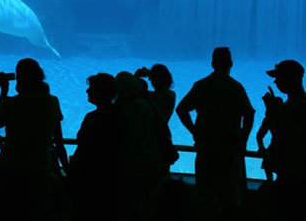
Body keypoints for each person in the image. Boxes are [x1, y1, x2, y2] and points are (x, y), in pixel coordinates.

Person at [176, 47, 254, 220]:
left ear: (212, 64)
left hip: (206, 147)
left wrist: (194, 131)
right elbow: (249, 113)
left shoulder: (202, 86)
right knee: (228, 196)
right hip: (230, 148)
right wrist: (243, 139)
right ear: (231, 64)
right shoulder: (235, 87)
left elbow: (181, 109)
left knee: (204, 192)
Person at [0, 58, 66, 221]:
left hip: (11, 166)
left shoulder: (13, 103)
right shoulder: (52, 102)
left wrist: (4, 90)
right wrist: (66, 170)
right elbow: (59, 141)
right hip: (40, 167)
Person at [115, 71, 175, 220]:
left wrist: (137, 77)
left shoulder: (125, 108)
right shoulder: (154, 102)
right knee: (153, 201)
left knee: (133, 204)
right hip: (154, 160)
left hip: (133, 165)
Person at [69, 73, 126, 221]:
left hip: (91, 180)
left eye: (92, 88)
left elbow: (84, 146)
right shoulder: (121, 115)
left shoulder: (93, 117)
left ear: (101, 92)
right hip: (111, 179)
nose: (87, 91)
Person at [263, 60, 306, 219]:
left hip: (292, 178)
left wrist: (273, 113)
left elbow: (284, 137)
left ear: (290, 79)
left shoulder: (297, 107)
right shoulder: (294, 104)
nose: (275, 81)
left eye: (279, 77)